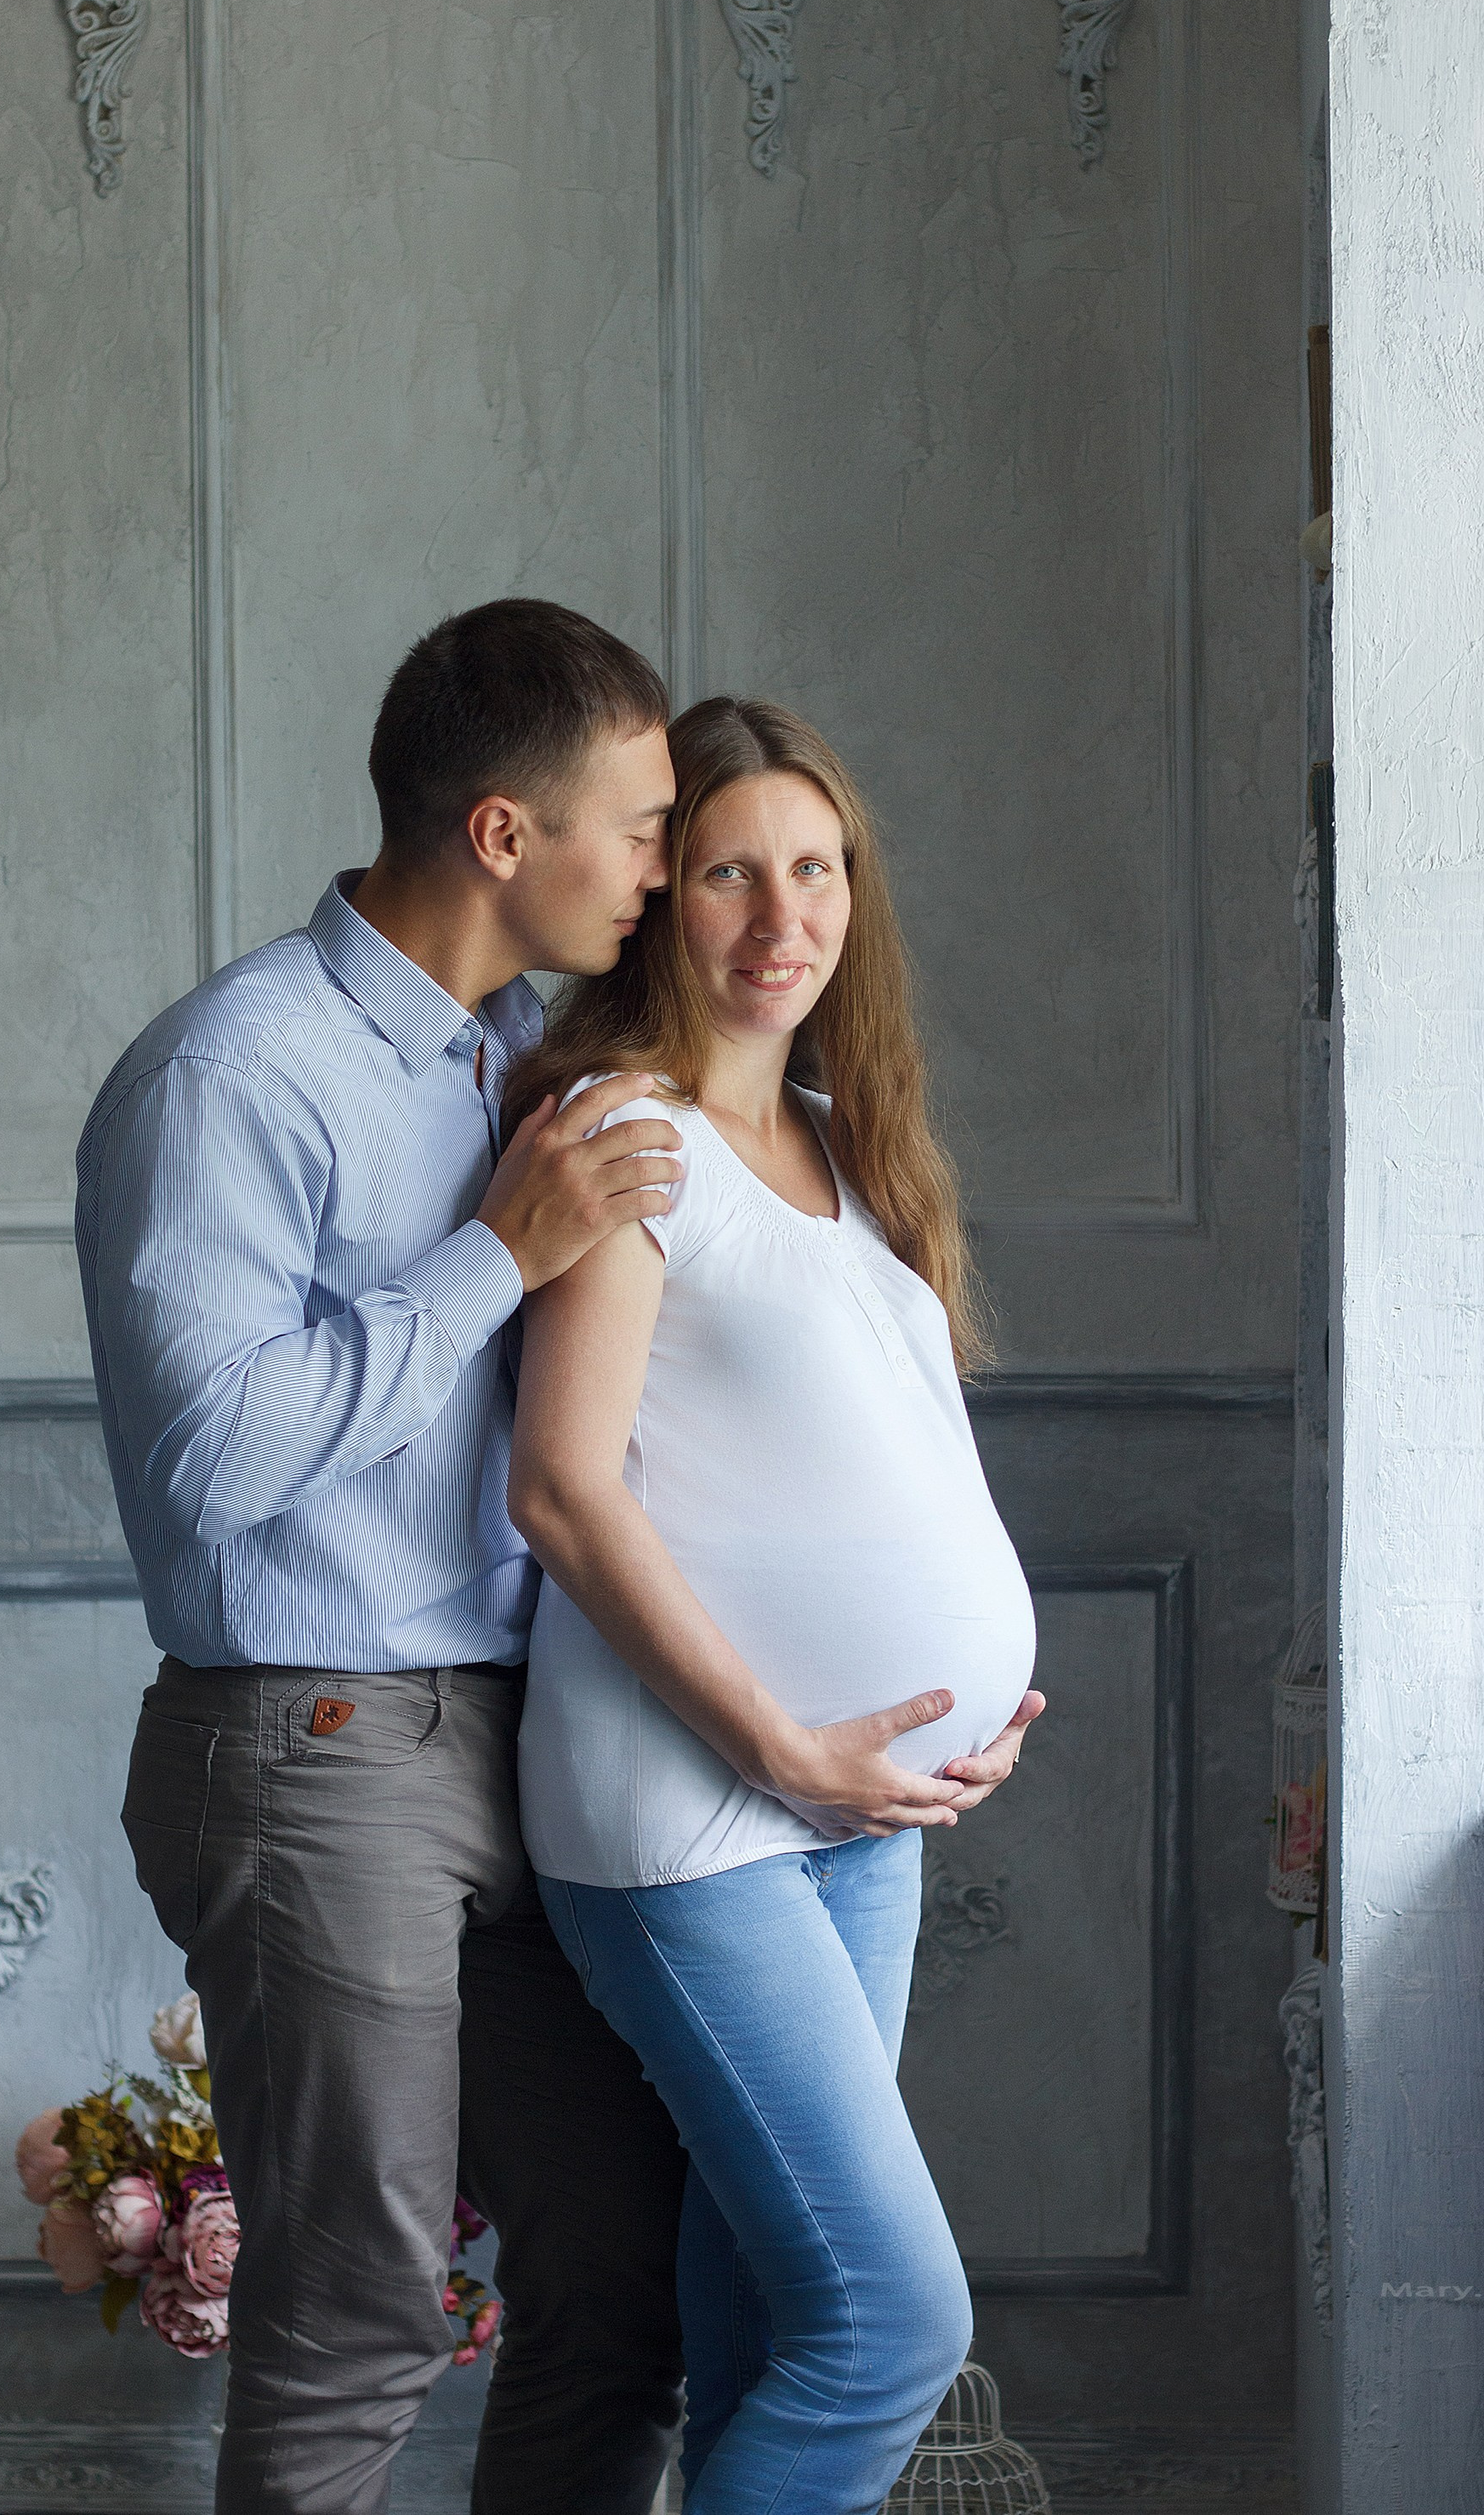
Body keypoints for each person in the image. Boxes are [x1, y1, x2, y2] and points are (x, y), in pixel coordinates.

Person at [77, 602, 1034, 2515]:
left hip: (521, 1737)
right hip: (318, 1734)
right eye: (652, 827)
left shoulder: (525, 1057)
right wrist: (490, 1260)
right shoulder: (231, 1077)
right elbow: (215, 1461)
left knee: (617, 2286)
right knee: (359, 2312)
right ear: (507, 837)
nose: (676, 870)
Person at [504, 695, 1043, 2515]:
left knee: (766, 2323)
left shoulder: (836, 1135)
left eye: (812, 870)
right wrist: (786, 1742)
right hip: (695, 1816)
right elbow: (560, 1490)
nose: (778, 914)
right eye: (729, 870)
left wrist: (962, 1705)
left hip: (854, 1816)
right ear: (662, 897)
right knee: (890, 2322)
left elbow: (875, 1466)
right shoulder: (628, 1132)